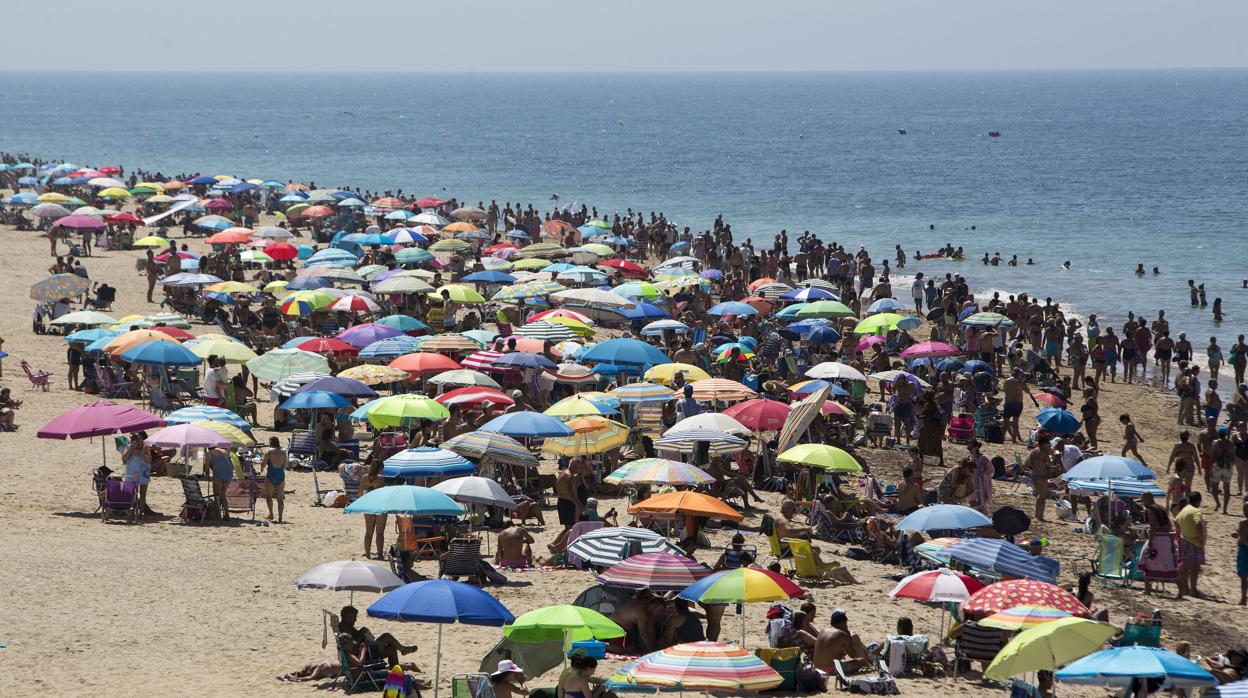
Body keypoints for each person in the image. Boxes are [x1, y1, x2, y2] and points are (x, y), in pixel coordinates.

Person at [337, 606, 418, 669]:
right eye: (353, 617)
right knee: (386, 636)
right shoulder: (345, 628)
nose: (355, 620)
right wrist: (361, 633)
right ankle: (403, 649)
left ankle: (397, 676)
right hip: (364, 655)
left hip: (366, 652)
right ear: (347, 616)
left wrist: (362, 634)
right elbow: (352, 647)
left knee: (392, 650)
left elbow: (354, 641)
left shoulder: (347, 626)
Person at [801, 609, 874, 674]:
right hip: (830, 669)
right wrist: (851, 640)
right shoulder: (843, 634)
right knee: (862, 661)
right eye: (845, 623)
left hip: (815, 667)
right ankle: (869, 661)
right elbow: (852, 655)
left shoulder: (823, 631)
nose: (846, 626)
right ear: (842, 623)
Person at [1175, 492, 1207, 599]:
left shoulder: (1184, 509)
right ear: (1199, 501)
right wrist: (1200, 536)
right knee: (1195, 567)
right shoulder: (1196, 511)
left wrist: (1182, 531)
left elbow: (1176, 521)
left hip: (1184, 540)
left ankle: (1185, 588)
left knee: (1185, 565)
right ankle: (1193, 590)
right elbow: (1197, 523)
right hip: (1195, 542)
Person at [359, 451, 387, 559]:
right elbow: (383, 493)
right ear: (380, 469)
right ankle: (380, 555)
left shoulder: (364, 478)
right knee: (380, 533)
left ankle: (368, 554)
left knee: (369, 532)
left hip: (369, 506)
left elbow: (360, 492)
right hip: (380, 506)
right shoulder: (380, 479)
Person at [122, 431, 156, 516]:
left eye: (139, 440)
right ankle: (132, 512)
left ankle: (140, 513)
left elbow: (149, 460)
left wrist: (141, 454)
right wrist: (131, 448)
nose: (137, 442)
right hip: (132, 472)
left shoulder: (146, 446)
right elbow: (124, 458)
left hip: (144, 472)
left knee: (143, 493)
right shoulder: (129, 446)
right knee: (131, 493)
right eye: (135, 440)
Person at [1027, 435, 1055, 522]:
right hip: (1041, 476)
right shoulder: (1044, 453)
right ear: (1044, 444)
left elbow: (1028, 463)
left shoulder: (1034, 451)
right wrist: (1053, 456)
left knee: (1040, 496)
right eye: (1048, 444)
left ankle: (1037, 515)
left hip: (1034, 475)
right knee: (1042, 497)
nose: (1049, 446)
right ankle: (1040, 516)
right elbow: (1050, 464)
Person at [261, 435, 286, 523]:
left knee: (268, 496)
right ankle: (280, 518)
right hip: (280, 476)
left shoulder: (269, 452)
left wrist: (261, 469)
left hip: (271, 475)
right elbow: (286, 465)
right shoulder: (284, 452)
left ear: (270, 443)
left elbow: (263, 464)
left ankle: (271, 514)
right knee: (280, 498)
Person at [207, 445, 235, 520]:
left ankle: (218, 516)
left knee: (217, 495)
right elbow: (232, 467)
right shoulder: (225, 451)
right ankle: (227, 515)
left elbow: (206, 468)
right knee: (223, 495)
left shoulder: (209, 453)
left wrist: (208, 476)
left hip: (219, 474)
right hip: (229, 475)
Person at [1234, 496, 1248, 606]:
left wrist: (1239, 536)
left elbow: (1243, 539)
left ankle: (1243, 598)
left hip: (1244, 550)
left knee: (1243, 576)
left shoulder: (1243, 522)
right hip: (1244, 549)